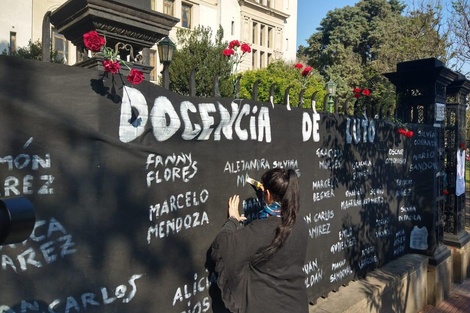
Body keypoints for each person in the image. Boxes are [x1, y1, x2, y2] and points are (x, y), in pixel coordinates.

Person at [211, 168, 308, 313]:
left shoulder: (261, 230)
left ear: (267, 193)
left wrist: (232, 221)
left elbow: (223, 246)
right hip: (296, 303)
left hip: (267, 305)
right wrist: (268, 198)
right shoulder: (300, 223)